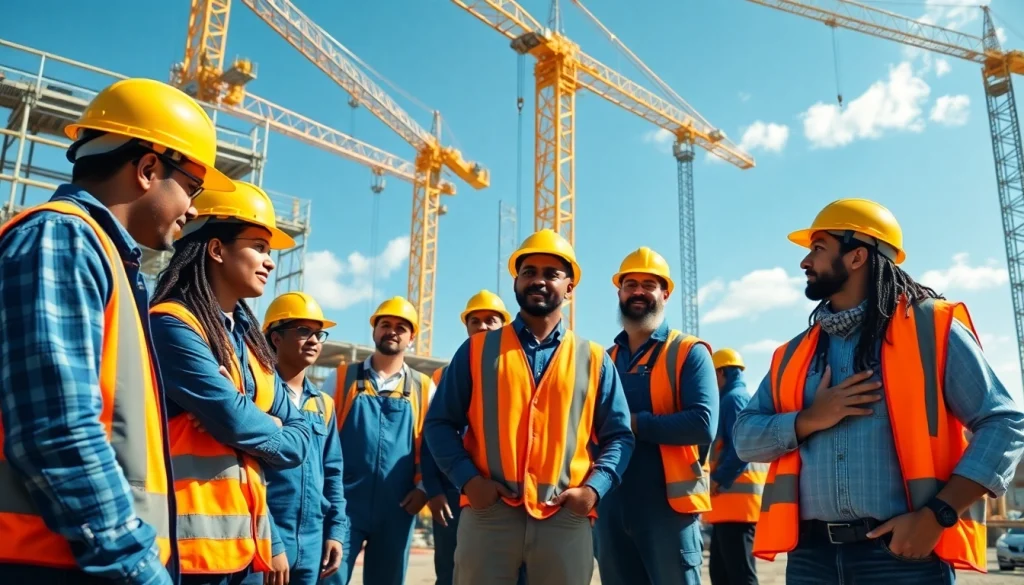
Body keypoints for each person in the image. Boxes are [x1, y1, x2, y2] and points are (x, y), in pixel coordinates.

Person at [0, 77, 234, 584]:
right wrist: (138, 568)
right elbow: (57, 432)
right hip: (51, 564)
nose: (193, 210)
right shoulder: (60, 238)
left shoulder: (109, 262)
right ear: (149, 168)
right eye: (191, 189)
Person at [733, 198, 1024, 583]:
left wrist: (939, 514)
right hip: (810, 560)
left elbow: (1004, 423)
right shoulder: (792, 355)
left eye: (818, 248)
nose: (805, 262)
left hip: (903, 557)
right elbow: (745, 440)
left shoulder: (931, 329)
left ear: (856, 257)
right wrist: (809, 419)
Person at [423, 228, 635, 585]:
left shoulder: (594, 359)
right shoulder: (476, 351)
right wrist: (468, 481)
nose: (538, 280)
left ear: (570, 287)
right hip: (488, 513)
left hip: (563, 516)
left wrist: (594, 489)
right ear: (517, 282)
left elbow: (620, 436)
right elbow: (439, 423)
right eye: (529, 272)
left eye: (551, 274)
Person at [149, 180, 313, 585]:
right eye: (258, 246)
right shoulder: (172, 325)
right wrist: (258, 422)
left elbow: (300, 437)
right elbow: (236, 422)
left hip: (247, 548)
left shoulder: (249, 341)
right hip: (187, 554)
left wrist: (271, 542)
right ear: (217, 249)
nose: (270, 262)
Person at [594, 246, 718, 585]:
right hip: (611, 507)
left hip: (668, 510)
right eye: (630, 283)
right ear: (619, 291)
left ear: (664, 293)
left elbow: (703, 424)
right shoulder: (603, 360)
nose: (638, 291)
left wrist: (631, 423)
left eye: (648, 284)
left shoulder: (689, 353)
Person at [320, 296, 435, 585]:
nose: (392, 331)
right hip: (343, 505)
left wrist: (423, 488)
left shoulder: (423, 387)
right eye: (385, 324)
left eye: (401, 327)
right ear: (374, 330)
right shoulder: (341, 379)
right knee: (329, 577)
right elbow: (320, 437)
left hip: (399, 505)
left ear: (411, 338)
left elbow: (432, 444)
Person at [420, 290, 526, 585]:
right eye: (475, 321)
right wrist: (435, 490)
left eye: (491, 320)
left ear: (504, 325)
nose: (482, 327)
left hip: (507, 490)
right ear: (466, 327)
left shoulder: (518, 371)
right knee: (451, 569)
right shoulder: (443, 377)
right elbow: (432, 437)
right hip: (456, 491)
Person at [261, 292, 348, 585]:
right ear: (275, 338)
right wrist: (270, 541)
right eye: (302, 331)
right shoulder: (258, 397)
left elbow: (333, 473)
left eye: (318, 333)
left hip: (312, 543)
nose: (314, 340)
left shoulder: (323, 404)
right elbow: (246, 474)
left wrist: (336, 531)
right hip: (266, 537)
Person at [705, 348, 765, 585]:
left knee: (740, 576)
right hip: (728, 506)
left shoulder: (734, 399)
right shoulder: (732, 399)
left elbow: (742, 449)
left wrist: (718, 478)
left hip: (736, 506)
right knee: (721, 575)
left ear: (721, 373)